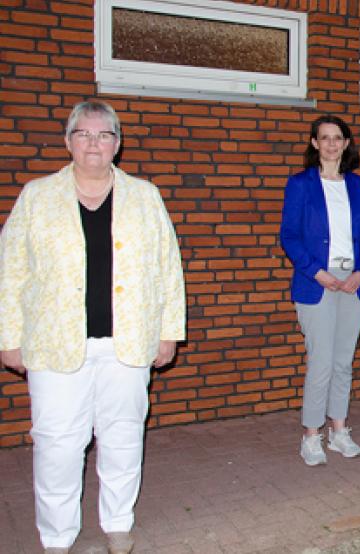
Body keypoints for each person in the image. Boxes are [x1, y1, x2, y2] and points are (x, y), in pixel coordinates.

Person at [0, 101, 186, 554]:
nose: (94, 144)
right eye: (84, 134)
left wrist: (168, 331)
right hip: (55, 345)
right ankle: (57, 535)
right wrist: (8, 337)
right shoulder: (38, 195)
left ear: (117, 144)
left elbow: (168, 268)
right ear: (68, 142)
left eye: (104, 135)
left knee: (123, 436)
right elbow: (11, 270)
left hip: (128, 341)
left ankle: (118, 521)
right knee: (58, 445)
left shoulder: (145, 196)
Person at [280, 115, 360, 466]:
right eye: (325, 138)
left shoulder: (357, 185)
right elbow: (289, 236)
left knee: (343, 363)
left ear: (346, 143)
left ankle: (339, 430)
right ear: (315, 144)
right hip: (316, 281)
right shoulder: (300, 184)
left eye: (338, 138)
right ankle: (311, 435)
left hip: (352, 282)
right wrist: (317, 272)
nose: (332, 144)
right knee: (320, 363)